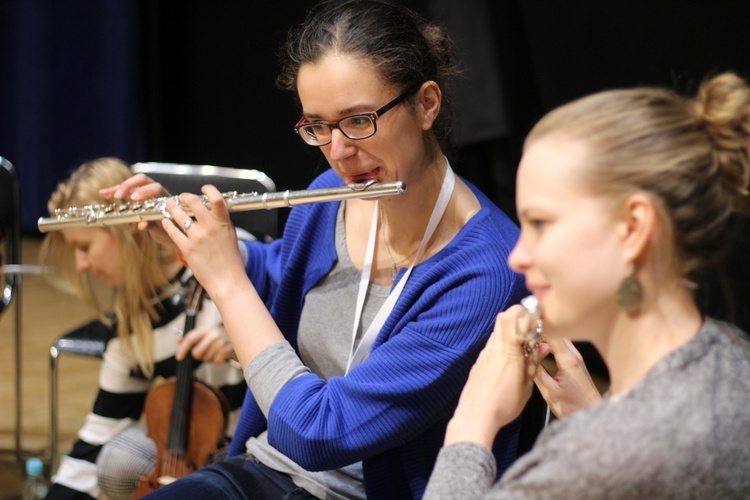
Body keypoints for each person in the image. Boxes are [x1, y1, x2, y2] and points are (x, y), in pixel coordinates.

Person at [99, 1, 527, 497]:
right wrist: (192, 235)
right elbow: (286, 274)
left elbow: (321, 433)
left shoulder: (486, 273)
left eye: (359, 120)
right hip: (267, 468)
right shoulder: (329, 198)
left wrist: (226, 282)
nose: (340, 151)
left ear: (426, 104)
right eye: (318, 126)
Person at [423, 71, 750, 499]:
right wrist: (599, 413)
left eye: (540, 223)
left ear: (633, 227)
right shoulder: (732, 355)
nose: (517, 256)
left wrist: (472, 423)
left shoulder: (586, 462)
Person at [40, 158, 246, 500]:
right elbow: (100, 433)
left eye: (84, 247)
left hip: (256, 445)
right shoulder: (132, 322)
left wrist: (238, 341)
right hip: (193, 456)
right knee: (119, 462)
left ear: (124, 231)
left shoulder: (225, 257)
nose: (81, 265)